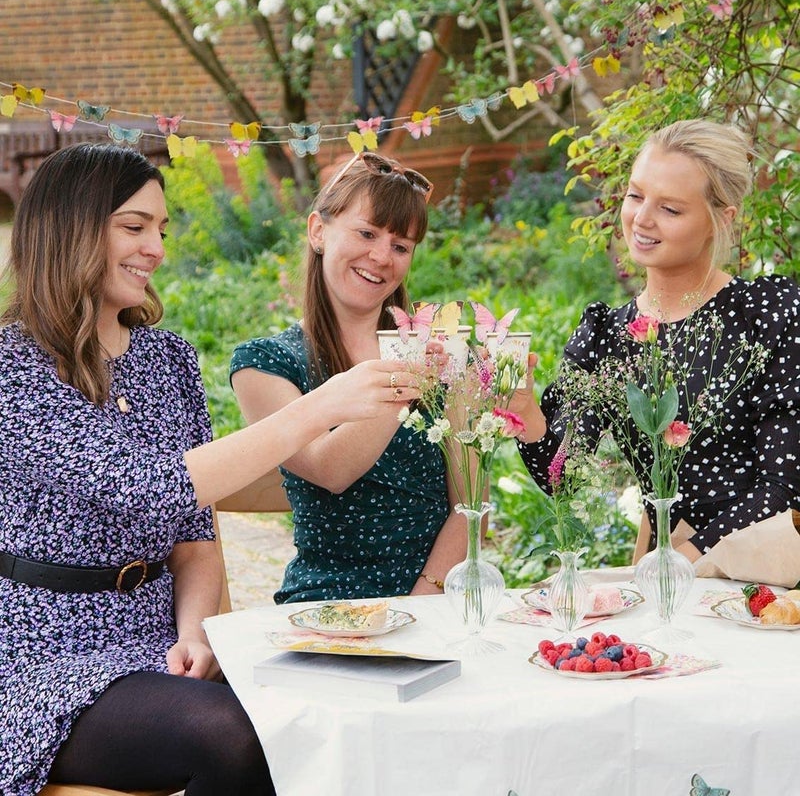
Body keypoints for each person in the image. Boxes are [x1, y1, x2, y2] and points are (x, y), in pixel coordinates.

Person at [0, 143, 420, 796]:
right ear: (70, 227)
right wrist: (319, 408)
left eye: (160, 230)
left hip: (159, 644)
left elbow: (192, 532)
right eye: (134, 227)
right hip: (44, 660)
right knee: (234, 737)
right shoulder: (15, 367)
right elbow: (149, 489)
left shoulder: (168, 360)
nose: (156, 249)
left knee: (321, 714)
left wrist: (195, 630)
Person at [513, 118, 800, 561]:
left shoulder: (771, 314)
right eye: (635, 195)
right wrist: (525, 411)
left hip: (759, 583)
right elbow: (563, 480)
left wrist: (677, 561)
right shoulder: (606, 334)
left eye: (670, 209)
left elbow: (786, 484)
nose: (642, 219)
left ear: (720, 220)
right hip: (666, 579)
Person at [230, 151, 469, 603]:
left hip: (437, 603)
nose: (381, 256)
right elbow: (329, 469)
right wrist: (409, 378)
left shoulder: (440, 354)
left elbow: (469, 505)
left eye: (401, 246)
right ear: (318, 231)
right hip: (327, 607)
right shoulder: (265, 364)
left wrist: (423, 602)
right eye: (366, 233)